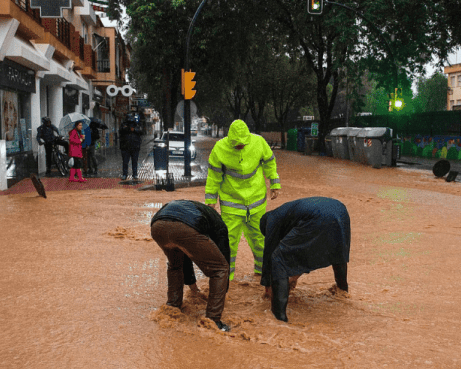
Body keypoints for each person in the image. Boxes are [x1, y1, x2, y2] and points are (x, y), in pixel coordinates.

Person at [205, 119, 281, 280]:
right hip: (231, 204)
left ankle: (263, 272)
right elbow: (213, 176)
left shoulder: (258, 142)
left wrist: (274, 182)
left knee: (260, 239)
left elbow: (269, 162)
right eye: (236, 144)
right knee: (228, 241)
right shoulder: (219, 148)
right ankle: (226, 277)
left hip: (256, 201)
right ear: (230, 139)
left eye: (243, 144)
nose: (240, 146)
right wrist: (211, 199)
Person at [259, 197, 351, 322]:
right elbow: (306, 250)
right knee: (337, 251)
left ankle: (278, 317)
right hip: (339, 211)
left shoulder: (271, 220)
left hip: (319, 216)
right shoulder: (286, 212)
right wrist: (294, 276)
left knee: (278, 258)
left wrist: (268, 286)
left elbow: (269, 254)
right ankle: (342, 291)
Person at [150, 200, 232, 332]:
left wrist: (194, 289)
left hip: (157, 226)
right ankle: (213, 321)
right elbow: (224, 256)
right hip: (184, 227)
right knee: (220, 269)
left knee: (175, 265)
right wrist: (224, 290)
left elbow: (186, 255)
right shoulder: (219, 225)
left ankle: (172, 307)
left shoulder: (196, 210)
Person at [119, 114, 143, 180]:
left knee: (134, 162)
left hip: (135, 147)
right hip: (125, 147)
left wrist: (134, 130)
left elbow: (141, 131)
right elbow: (121, 131)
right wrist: (127, 128)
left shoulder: (137, 125)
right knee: (125, 162)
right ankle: (124, 174)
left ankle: (135, 174)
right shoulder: (124, 124)